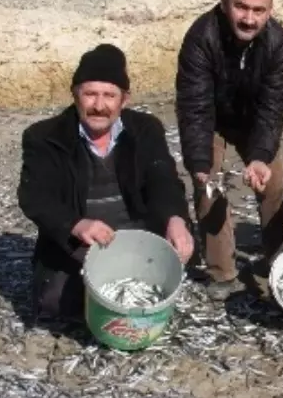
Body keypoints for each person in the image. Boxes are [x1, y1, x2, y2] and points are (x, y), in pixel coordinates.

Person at [18, 44, 194, 322]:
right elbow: (34, 196)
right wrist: (75, 224)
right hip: (78, 245)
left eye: (109, 95)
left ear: (124, 99)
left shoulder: (146, 129)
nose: (99, 106)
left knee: (151, 295)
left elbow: (163, 179)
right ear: (75, 95)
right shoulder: (43, 137)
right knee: (55, 306)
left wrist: (175, 217)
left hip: (136, 240)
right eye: (90, 94)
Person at [175, 0, 283, 300]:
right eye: (241, 7)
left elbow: (273, 109)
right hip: (211, 118)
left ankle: (276, 261)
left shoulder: (278, 44)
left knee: (274, 184)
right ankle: (222, 272)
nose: (249, 18)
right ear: (225, 4)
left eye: (258, 11)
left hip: (255, 120)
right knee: (207, 187)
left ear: (269, 12)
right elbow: (194, 106)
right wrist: (199, 161)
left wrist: (259, 156)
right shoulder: (201, 37)